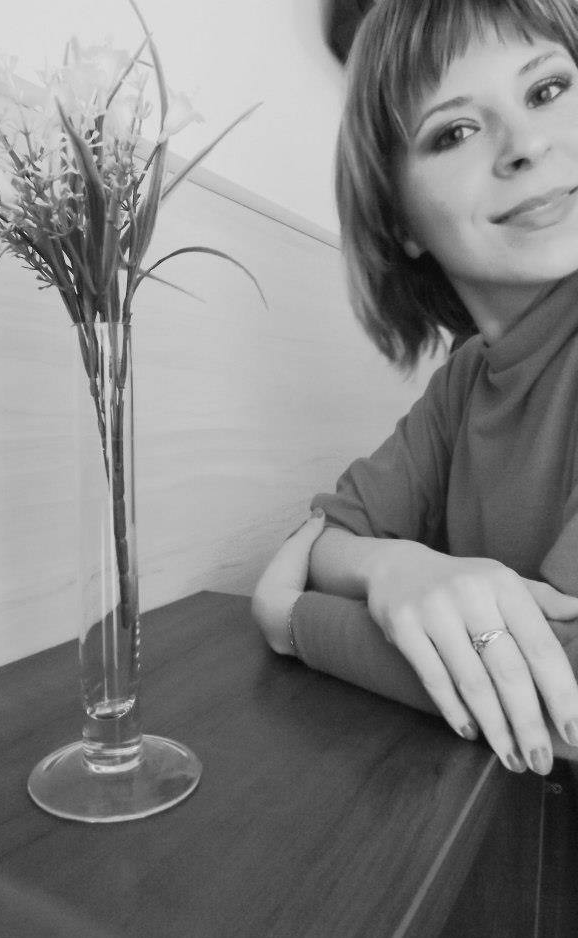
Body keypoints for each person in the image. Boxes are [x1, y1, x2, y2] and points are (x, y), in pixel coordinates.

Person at [252, 0, 578, 777]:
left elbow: (562, 693)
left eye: (547, 90)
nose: (527, 144)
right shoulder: (463, 380)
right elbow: (326, 536)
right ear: (399, 219)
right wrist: (395, 570)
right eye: (455, 131)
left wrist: (292, 622)